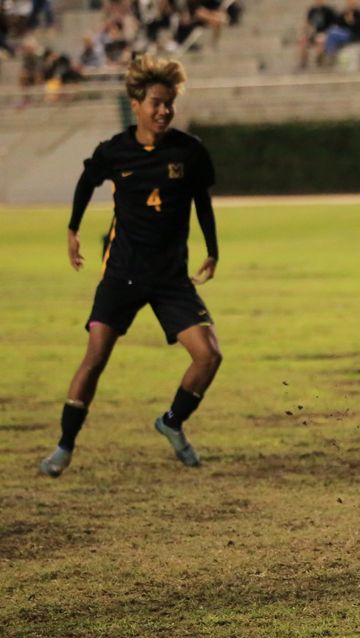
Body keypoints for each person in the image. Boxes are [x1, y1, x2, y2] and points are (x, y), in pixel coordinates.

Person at [38, 56, 222, 478]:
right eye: (156, 102)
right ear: (136, 103)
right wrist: (73, 229)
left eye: (169, 103)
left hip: (171, 278)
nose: (164, 111)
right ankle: (64, 448)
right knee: (95, 357)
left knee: (209, 356)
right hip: (121, 274)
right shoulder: (114, 151)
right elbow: (87, 181)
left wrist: (213, 249)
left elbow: (202, 202)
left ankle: (172, 422)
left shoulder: (189, 151)